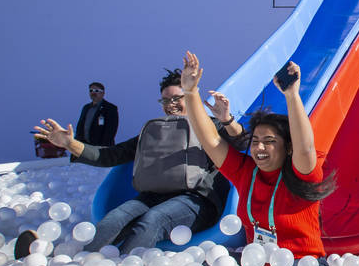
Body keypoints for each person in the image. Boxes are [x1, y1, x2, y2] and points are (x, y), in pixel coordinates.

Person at [28, 68, 243, 256]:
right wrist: (69, 144)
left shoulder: (210, 126)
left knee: (152, 220)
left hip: (197, 201)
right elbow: (109, 155)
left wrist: (228, 120)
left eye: (177, 98)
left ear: (188, 96)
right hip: (151, 197)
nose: (171, 105)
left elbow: (241, 141)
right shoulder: (152, 132)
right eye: (166, 101)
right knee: (113, 220)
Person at [180, 51, 335, 266]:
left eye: (270, 141)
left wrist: (292, 95)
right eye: (255, 141)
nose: (259, 147)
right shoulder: (247, 172)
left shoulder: (301, 173)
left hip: (303, 265)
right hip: (258, 263)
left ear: (287, 148)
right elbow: (211, 141)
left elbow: (305, 147)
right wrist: (190, 94)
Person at [74, 82, 119, 146]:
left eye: (96, 91)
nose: (93, 93)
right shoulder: (86, 108)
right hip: (84, 147)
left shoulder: (110, 108)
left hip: (101, 149)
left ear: (103, 93)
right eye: (91, 90)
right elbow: (80, 127)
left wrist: (102, 148)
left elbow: (110, 131)